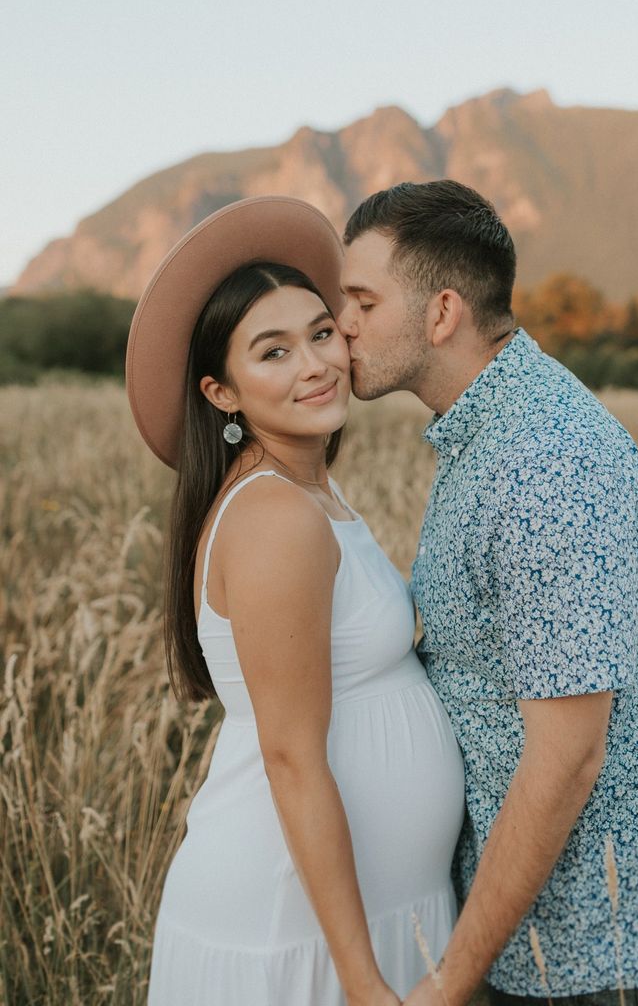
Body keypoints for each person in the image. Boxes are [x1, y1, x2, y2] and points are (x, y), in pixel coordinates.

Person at [337, 179, 638, 1006]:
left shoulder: (547, 463)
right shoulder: (487, 434)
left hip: (577, 950)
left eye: (362, 300)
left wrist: (449, 982)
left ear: (441, 314)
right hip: (524, 935)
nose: (343, 325)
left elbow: (567, 759)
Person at [125, 195, 465, 1006]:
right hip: (297, 929)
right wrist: (359, 979)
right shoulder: (276, 516)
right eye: (274, 352)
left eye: (321, 334)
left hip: (370, 909)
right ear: (222, 392)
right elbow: (291, 758)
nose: (316, 364)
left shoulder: (311, 492)